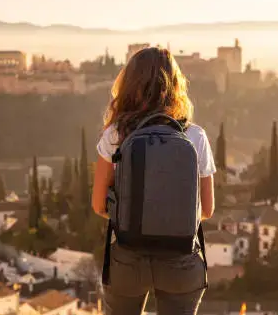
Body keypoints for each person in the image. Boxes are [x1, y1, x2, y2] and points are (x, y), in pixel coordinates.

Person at [91, 47, 216, 315]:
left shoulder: (115, 134)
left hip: (128, 259)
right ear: (175, 85)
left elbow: (99, 205)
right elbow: (206, 210)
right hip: (182, 262)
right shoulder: (195, 137)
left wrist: (135, 218)